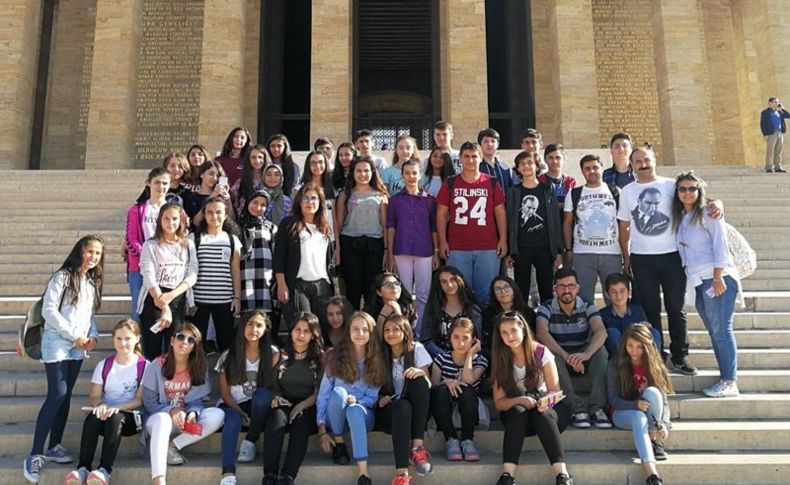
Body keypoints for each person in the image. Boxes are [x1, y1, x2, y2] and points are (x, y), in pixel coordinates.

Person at [618, 145, 722, 375]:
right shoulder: (627, 191)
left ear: (654, 159)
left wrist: (718, 204)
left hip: (672, 256)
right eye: (637, 161)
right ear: (631, 164)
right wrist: (627, 256)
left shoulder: (669, 185)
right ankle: (655, 354)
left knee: (676, 308)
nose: (642, 164)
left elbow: (695, 198)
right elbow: (624, 226)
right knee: (650, 309)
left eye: (646, 159)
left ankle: (680, 355)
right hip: (642, 258)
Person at [24, 236, 105, 484]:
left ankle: (54, 445)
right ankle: (35, 453)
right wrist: (74, 336)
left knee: (66, 393)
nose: (93, 257)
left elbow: (89, 315)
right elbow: (49, 311)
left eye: (98, 254)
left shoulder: (90, 283)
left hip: (78, 346)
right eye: (90, 251)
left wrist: (92, 336)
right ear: (80, 250)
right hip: (57, 343)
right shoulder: (62, 277)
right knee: (57, 393)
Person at [673, 172, 741, 397]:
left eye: (692, 188)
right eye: (682, 189)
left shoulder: (709, 213)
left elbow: (720, 244)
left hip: (716, 277)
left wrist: (718, 276)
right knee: (715, 331)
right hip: (698, 280)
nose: (687, 193)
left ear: (699, 191)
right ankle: (726, 377)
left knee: (721, 330)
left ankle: (730, 381)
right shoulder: (683, 216)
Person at [490, 312, 573, 485]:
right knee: (517, 412)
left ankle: (563, 475)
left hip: (547, 410)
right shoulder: (501, 357)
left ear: (523, 330)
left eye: (513, 330)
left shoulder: (541, 352)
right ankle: (507, 475)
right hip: (519, 415)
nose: (510, 336)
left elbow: (555, 392)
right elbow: (499, 402)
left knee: (540, 415)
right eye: (504, 333)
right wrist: (519, 400)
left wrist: (544, 404)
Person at [64, 319, 148, 485]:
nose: (123, 343)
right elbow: (94, 397)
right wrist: (102, 405)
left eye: (128, 338)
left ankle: (104, 471)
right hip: (105, 414)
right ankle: (83, 469)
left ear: (137, 339)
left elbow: (139, 400)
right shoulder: (104, 365)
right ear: (113, 339)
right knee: (92, 418)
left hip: (130, 418)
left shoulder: (145, 366)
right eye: (119, 339)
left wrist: (114, 408)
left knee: (116, 418)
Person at [142, 323, 225, 485]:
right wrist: (171, 410)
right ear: (172, 341)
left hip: (184, 421)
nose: (184, 342)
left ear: (195, 346)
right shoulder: (156, 366)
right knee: (163, 419)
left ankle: (172, 446)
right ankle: (158, 479)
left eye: (191, 340)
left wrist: (193, 412)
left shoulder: (198, 367)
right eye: (180, 337)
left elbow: (196, 400)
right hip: (158, 421)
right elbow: (149, 403)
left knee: (219, 414)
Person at [536, 267, 611, 429]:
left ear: (578, 288)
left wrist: (586, 354)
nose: (566, 290)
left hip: (582, 355)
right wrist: (565, 355)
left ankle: (597, 407)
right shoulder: (546, 307)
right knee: (549, 356)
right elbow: (541, 333)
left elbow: (601, 331)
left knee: (601, 352)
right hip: (559, 354)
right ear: (555, 288)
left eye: (571, 286)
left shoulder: (587, 305)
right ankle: (576, 408)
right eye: (562, 286)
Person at [316, 312, 385, 485]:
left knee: (354, 410)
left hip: (362, 415)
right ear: (348, 332)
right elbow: (324, 394)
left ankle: (363, 473)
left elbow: (372, 397)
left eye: (364, 330)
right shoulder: (334, 357)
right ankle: (339, 445)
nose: (360, 333)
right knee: (338, 392)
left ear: (371, 334)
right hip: (336, 415)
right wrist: (322, 428)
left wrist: (358, 402)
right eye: (355, 329)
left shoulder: (377, 360)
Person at [436, 141, 507, 308]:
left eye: (474, 156)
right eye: (466, 156)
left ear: (480, 158)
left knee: (486, 295)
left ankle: (484, 332)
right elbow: (441, 214)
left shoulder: (491, 183)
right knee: (459, 294)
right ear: (460, 158)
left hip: (488, 247)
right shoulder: (451, 183)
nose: (470, 160)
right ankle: (461, 332)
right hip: (458, 248)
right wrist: (442, 241)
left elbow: (500, 213)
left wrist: (503, 239)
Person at [262, 313, 324, 485]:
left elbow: (320, 391)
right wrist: (276, 397)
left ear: (314, 335)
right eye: (297, 330)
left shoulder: (320, 359)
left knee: (301, 423)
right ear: (290, 332)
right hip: (285, 401)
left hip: (309, 403)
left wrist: (302, 405)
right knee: (276, 419)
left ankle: (288, 475)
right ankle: (269, 474)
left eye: (306, 331)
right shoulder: (280, 356)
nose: (301, 335)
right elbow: (271, 384)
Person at [216, 311, 277, 485]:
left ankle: (250, 441)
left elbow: (272, 388)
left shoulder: (273, 354)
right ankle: (228, 474)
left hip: (259, 406)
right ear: (242, 326)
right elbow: (225, 393)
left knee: (262, 394)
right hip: (232, 405)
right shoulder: (228, 355)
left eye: (259, 325)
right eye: (250, 324)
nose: (254, 329)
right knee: (233, 420)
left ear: (266, 330)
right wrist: (241, 413)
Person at [607, 324, 673, 485]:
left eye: (639, 347)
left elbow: (663, 399)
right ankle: (652, 474)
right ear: (624, 344)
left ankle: (653, 436)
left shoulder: (655, 365)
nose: (634, 351)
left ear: (647, 347)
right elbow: (613, 400)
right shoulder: (615, 365)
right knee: (638, 417)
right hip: (622, 412)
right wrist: (635, 405)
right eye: (630, 346)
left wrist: (664, 423)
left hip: (648, 414)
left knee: (653, 392)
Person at [375, 315, 433, 485]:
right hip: (390, 412)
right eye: (386, 330)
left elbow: (427, 385)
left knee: (419, 380)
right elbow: (372, 388)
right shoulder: (380, 354)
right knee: (401, 406)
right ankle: (402, 474)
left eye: (395, 329)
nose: (390, 333)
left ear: (405, 331)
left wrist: (419, 372)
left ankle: (417, 447)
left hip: (414, 411)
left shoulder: (417, 349)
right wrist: (380, 397)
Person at [138, 202, 198, 361]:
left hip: (177, 298)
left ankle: (171, 383)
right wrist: (164, 307)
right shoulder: (149, 245)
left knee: (175, 350)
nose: (170, 223)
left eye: (174, 219)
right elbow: (148, 276)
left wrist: (172, 296)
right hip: (154, 300)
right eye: (166, 219)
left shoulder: (188, 244)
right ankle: (151, 384)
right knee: (152, 349)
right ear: (159, 220)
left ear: (180, 220)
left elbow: (192, 274)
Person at [386, 159, 438, 334]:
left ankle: (421, 332)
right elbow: (391, 227)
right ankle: (406, 331)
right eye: (407, 173)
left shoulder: (429, 200)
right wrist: (390, 253)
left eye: (414, 173)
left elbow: (433, 228)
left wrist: (437, 252)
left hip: (425, 251)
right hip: (401, 251)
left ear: (420, 175)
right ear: (401, 176)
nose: (411, 177)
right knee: (405, 294)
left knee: (423, 295)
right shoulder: (394, 201)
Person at [563, 154, 622, 305]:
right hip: (583, 253)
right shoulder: (574, 194)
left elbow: (623, 222)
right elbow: (568, 222)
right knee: (584, 299)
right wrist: (568, 249)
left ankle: (613, 328)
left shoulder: (616, 192)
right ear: (582, 171)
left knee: (614, 298)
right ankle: (588, 328)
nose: (592, 171)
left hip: (611, 253)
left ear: (602, 169)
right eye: (587, 168)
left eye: (595, 167)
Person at [273, 183, 335, 328]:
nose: (309, 202)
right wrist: (282, 285)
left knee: (321, 331)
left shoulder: (325, 227)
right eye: (305, 198)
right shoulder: (288, 224)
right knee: (302, 327)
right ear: (299, 202)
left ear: (320, 203)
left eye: (314, 198)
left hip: (322, 285)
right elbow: (279, 257)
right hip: (297, 285)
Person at [505, 151, 562, 304]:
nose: (526, 166)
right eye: (522, 163)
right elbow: (509, 220)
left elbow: (555, 220)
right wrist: (509, 251)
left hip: (545, 248)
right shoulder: (513, 192)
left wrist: (558, 250)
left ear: (537, 166)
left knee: (546, 291)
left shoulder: (547, 189)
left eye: (530, 163)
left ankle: (546, 322)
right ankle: (524, 322)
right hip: (522, 248)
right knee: (521, 290)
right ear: (517, 168)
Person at [430, 318, 488, 463]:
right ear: (449, 338)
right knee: (440, 390)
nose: (461, 343)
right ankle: (451, 439)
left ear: (474, 340)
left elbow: (469, 380)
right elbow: (432, 385)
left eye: (466, 338)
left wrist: (469, 355)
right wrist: (447, 381)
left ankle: (467, 440)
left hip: (469, 410)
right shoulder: (441, 359)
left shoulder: (480, 360)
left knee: (466, 389)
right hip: (445, 410)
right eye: (456, 337)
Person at [189, 197, 242, 353]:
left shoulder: (232, 240)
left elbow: (235, 270)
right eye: (210, 212)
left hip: (225, 300)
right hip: (199, 301)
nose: (214, 216)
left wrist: (237, 297)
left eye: (219, 212)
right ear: (204, 215)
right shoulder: (194, 239)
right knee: (196, 345)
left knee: (226, 344)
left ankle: (227, 375)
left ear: (226, 215)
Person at [335, 156, 388, 310]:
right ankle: (352, 326)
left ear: (372, 173)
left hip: (374, 245)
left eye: (366, 171)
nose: (362, 174)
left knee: (372, 290)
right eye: (359, 170)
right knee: (353, 288)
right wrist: (337, 249)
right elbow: (338, 225)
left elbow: (385, 225)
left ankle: (370, 327)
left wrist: (386, 250)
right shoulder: (345, 195)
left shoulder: (381, 195)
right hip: (350, 244)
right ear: (353, 173)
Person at [125, 168, 171, 322]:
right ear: (148, 184)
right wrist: (146, 258)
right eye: (157, 182)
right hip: (139, 269)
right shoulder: (136, 210)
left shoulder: (174, 211)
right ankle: (138, 345)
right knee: (139, 311)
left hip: (166, 269)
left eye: (165, 183)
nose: (161, 186)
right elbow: (130, 238)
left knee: (163, 312)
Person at [421, 266, 482, 358]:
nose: (449, 285)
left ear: (459, 280)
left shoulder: (472, 309)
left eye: (452, 279)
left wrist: (463, 357)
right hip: (439, 358)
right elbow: (426, 340)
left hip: (468, 358)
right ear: (439, 284)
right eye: (444, 281)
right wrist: (445, 357)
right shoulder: (432, 308)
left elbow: (478, 340)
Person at [599, 273, 660, 357]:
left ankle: (652, 365)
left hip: (636, 352)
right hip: (617, 356)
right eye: (613, 292)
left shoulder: (638, 312)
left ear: (629, 293)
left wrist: (646, 327)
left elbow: (645, 333)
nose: (618, 296)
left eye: (622, 291)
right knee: (612, 332)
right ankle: (622, 367)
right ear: (607, 295)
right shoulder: (602, 315)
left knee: (654, 333)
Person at [237, 189, 277, 313]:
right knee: (247, 316)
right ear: (248, 202)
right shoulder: (237, 225)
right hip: (244, 276)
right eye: (255, 202)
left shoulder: (271, 227)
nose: (258, 207)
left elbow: (276, 254)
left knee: (264, 315)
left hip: (265, 276)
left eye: (263, 205)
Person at [482, 276, 536, 359]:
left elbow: (532, 337)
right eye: (498, 289)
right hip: (498, 355)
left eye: (506, 287)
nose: (503, 291)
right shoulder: (488, 314)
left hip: (524, 353)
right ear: (494, 294)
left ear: (514, 290)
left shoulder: (528, 313)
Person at [182, 160, 233, 230]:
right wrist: (213, 195)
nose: (214, 178)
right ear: (202, 174)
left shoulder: (221, 197)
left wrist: (228, 200)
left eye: (217, 176)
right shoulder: (192, 197)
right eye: (211, 174)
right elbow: (196, 222)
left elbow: (231, 220)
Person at [231, 144, 270, 218]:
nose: (257, 160)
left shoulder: (271, 180)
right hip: (244, 222)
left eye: (260, 157)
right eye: (253, 157)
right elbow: (234, 203)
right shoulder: (240, 182)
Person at [760, 97, 790, 173]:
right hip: (771, 133)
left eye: (777, 102)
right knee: (770, 151)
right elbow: (762, 124)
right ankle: (769, 167)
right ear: (770, 103)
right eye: (775, 102)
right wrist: (765, 134)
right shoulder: (765, 112)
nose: (776, 103)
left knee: (778, 151)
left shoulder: (779, 112)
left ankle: (777, 167)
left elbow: (788, 116)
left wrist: (782, 109)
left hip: (780, 133)